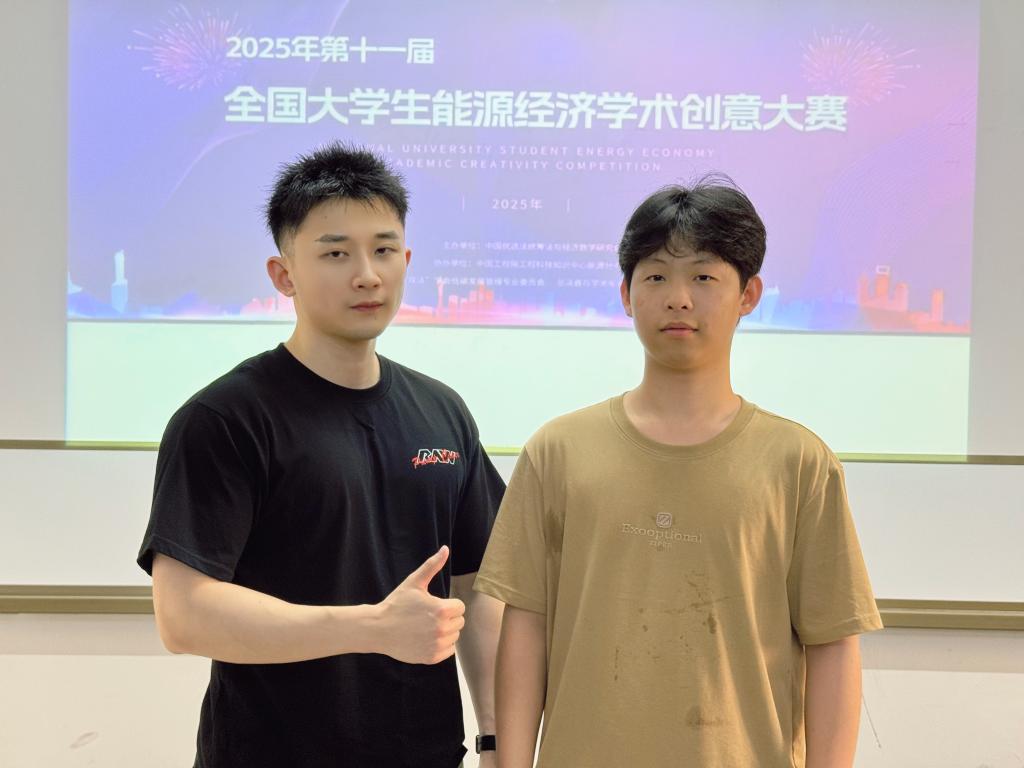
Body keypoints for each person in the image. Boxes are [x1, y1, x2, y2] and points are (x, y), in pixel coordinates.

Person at [475, 177, 883, 767]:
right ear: (626, 294)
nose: (679, 298)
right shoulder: (558, 451)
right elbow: (526, 629)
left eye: (704, 277)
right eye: (657, 277)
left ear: (749, 294)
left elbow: (834, 645)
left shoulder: (799, 462)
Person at [137, 143, 505, 768]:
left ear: (406, 260)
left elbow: (477, 585)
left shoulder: (442, 411)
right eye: (336, 253)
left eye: (383, 250)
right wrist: (371, 627)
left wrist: (496, 737)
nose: (367, 275)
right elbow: (185, 615)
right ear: (284, 275)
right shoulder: (226, 419)